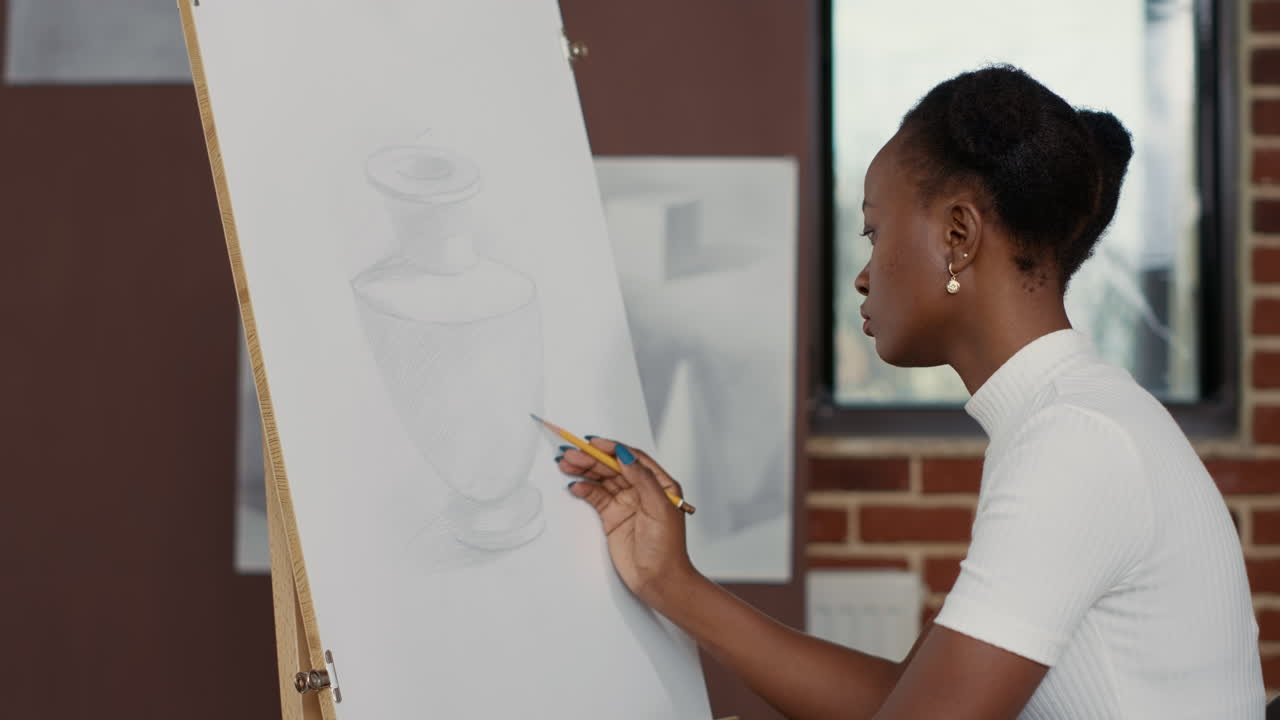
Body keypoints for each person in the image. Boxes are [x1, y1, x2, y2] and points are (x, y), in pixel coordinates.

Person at [557, 65, 1265, 719]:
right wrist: (672, 583)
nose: (863, 275)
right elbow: (903, 698)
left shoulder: (1076, 443)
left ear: (959, 234)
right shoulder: (1072, 421)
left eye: (873, 230)